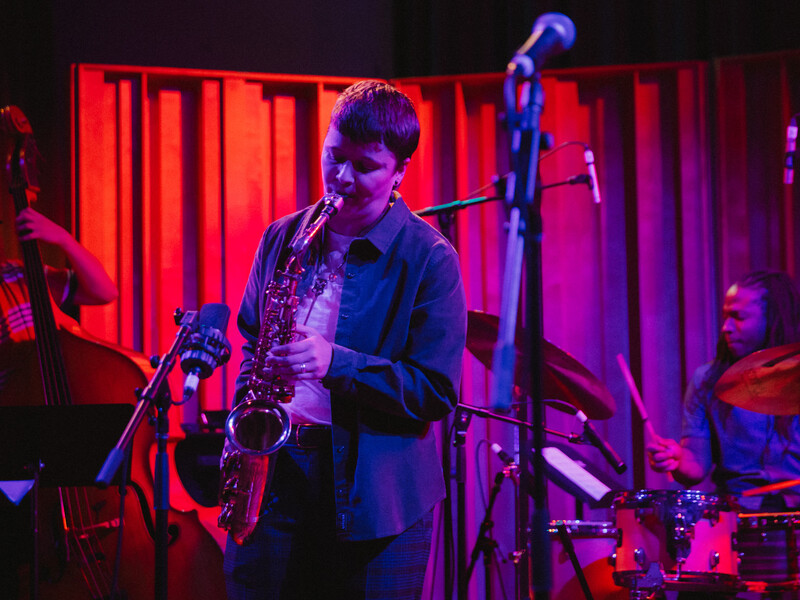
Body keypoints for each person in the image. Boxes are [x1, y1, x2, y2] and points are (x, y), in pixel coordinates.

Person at [222, 80, 467, 599]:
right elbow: (251, 341)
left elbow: (435, 392)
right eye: (334, 157)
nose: (342, 177)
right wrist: (246, 435)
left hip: (378, 498)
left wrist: (335, 362)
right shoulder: (282, 237)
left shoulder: (430, 257)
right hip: (276, 477)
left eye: (365, 165)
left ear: (400, 171)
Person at [646, 270, 800, 511]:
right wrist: (676, 459)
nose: (726, 328)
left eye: (738, 317)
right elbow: (695, 466)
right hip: (736, 516)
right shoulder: (707, 380)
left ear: (771, 318)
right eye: (725, 317)